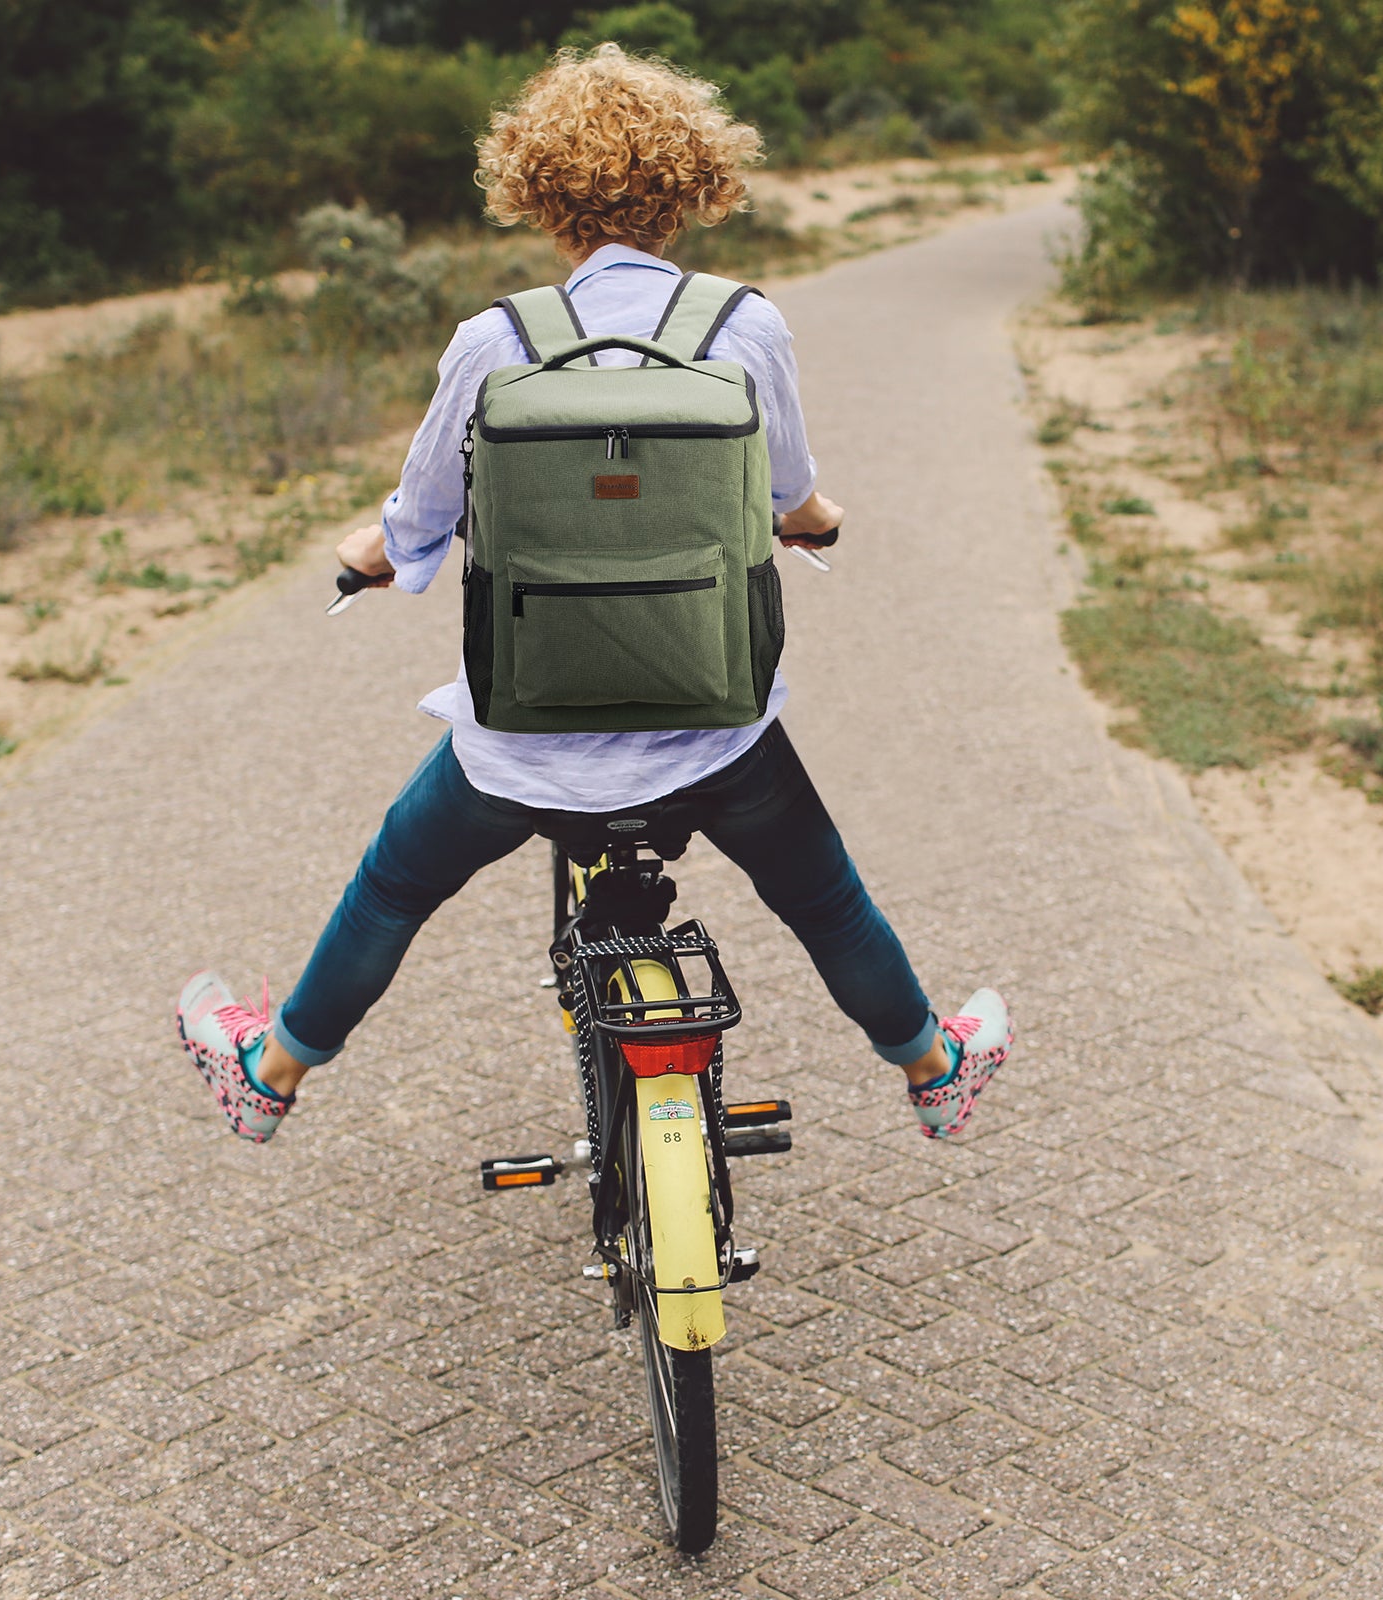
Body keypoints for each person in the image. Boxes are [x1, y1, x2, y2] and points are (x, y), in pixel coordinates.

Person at [177, 43, 1011, 1146]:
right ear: (693, 183)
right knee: (826, 902)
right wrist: (811, 521)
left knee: (390, 891)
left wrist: (376, 552)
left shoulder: (494, 342)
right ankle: (930, 1072)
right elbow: (789, 490)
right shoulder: (742, 327)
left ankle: (269, 1077)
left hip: (523, 751)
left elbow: (419, 517)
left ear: (536, 189)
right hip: (712, 738)